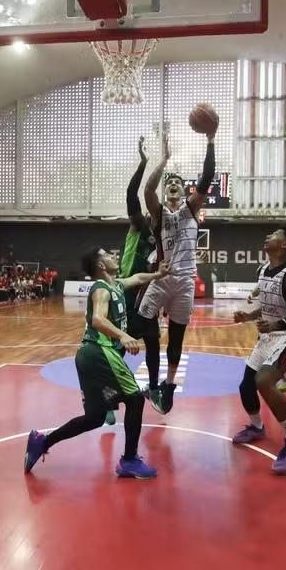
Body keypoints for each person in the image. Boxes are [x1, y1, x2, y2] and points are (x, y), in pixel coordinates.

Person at [24, 248, 170, 479]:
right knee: (134, 400)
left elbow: (138, 278)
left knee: (95, 417)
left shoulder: (117, 285)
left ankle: (42, 442)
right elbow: (98, 319)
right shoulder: (101, 289)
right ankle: (129, 460)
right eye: (109, 256)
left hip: (88, 356)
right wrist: (123, 336)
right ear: (101, 266)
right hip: (100, 351)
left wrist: (157, 275)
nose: (115, 256)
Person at [139, 131, 215, 414]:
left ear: (185, 191)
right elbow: (147, 191)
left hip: (184, 282)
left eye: (177, 183)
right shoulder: (158, 214)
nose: (172, 184)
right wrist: (165, 160)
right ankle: (155, 383)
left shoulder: (192, 209)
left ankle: (168, 387)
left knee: (177, 337)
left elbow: (207, 178)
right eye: (169, 182)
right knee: (145, 324)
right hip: (161, 279)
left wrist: (210, 140)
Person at [232, 227, 286, 473]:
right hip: (269, 336)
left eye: (275, 234)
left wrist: (277, 324)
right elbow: (269, 307)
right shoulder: (263, 270)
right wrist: (248, 316)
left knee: (264, 381)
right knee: (246, 385)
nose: (267, 236)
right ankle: (257, 427)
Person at [117, 136, 158, 424]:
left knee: (154, 340)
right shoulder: (139, 225)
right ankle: (107, 392)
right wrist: (143, 163)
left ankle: (153, 387)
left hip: (149, 291)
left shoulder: (162, 231)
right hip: (128, 288)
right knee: (119, 343)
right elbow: (133, 194)